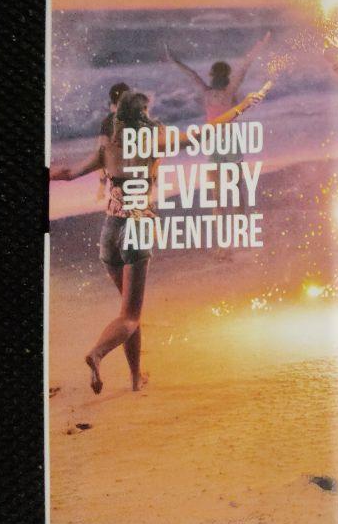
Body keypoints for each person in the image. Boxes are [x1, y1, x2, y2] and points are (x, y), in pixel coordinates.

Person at [50, 91, 166, 394]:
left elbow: (69, 174)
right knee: (130, 316)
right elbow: (204, 134)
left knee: (128, 313)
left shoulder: (107, 148)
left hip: (110, 233)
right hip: (136, 229)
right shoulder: (152, 144)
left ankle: (135, 379)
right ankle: (97, 353)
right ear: (142, 115)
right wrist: (241, 108)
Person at [166, 31, 272, 122]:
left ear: (212, 76)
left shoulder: (207, 94)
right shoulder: (228, 93)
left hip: (212, 136)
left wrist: (174, 61)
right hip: (223, 135)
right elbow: (244, 66)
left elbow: (191, 74)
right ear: (227, 76)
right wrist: (261, 44)